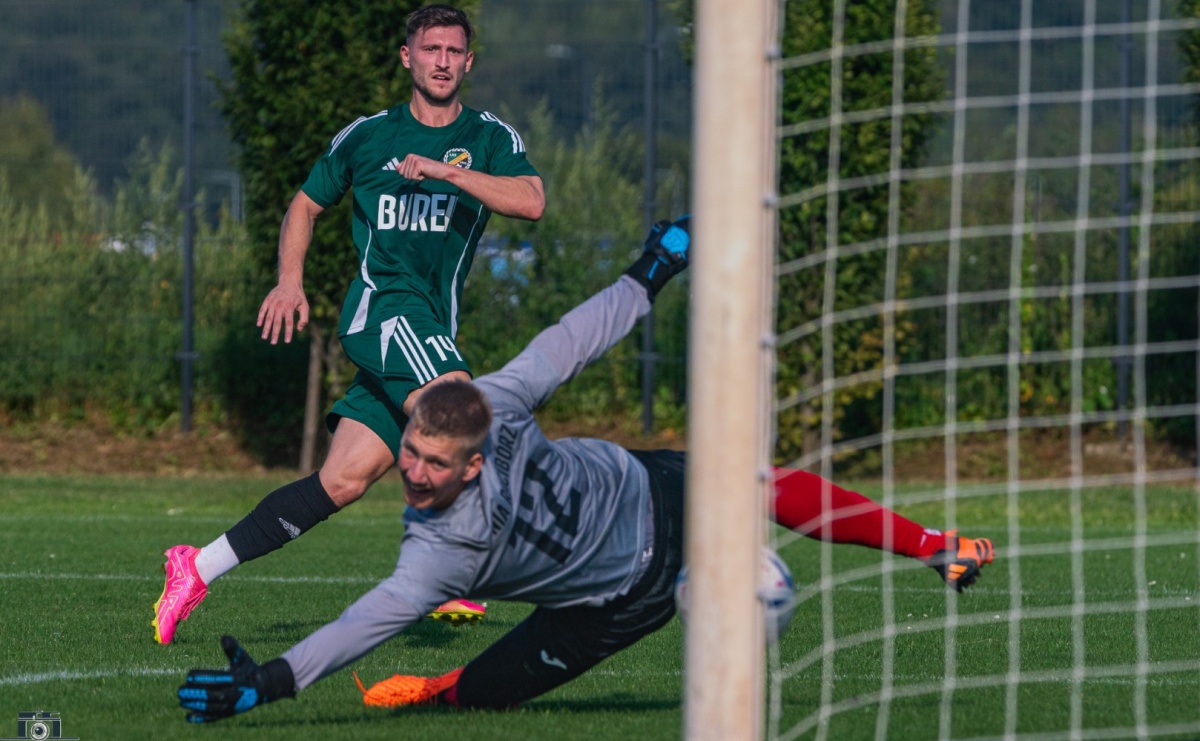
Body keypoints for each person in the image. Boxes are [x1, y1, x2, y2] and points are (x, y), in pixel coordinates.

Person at [175, 216, 994, 722]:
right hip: (607, 603)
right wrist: (271, 682)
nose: (413, 473)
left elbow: (572, 336)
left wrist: (653, 269)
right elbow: (362, 625)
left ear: (469, 464)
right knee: (481, 698)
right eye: (411, 453)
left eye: (432, 463)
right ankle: (442, 687)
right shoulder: (465, 472)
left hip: (654, 496)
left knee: (756, 480)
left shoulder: (463, 494)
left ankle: (933, 545)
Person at [153, 4, 546, 645]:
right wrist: (289, 281)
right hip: (384, 312)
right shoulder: (366, 136)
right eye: (431, 50)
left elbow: (531, 201)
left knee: (341, 481)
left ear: (469, 63)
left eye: (454, 51)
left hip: (429, 325)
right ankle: (453, 573)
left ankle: (196, 566)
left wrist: (449, 171)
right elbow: (305, 205)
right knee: (461, 412)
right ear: (407, 57)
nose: (442, 61)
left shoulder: (489, 138)